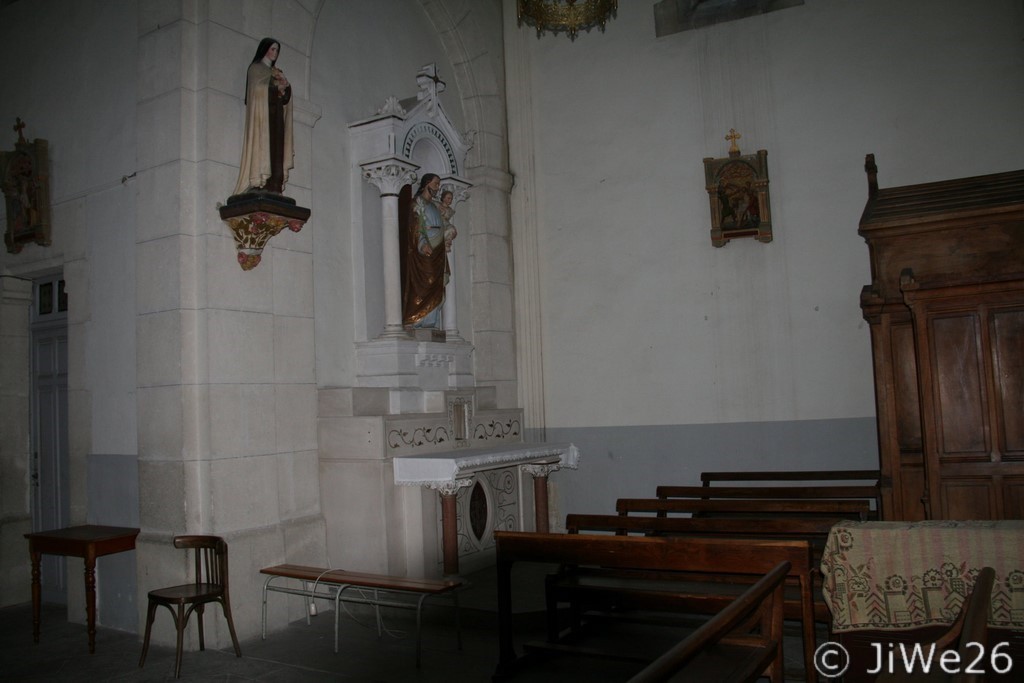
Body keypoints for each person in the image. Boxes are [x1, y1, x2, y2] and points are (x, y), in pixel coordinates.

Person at [233, 37, 293, 197]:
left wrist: (285, 87)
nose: (275, 53)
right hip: (262, 121)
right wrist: (274, 87)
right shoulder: (255, 69)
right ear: (264, 49)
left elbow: (285, 98)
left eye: (277, 50)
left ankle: (274, 184)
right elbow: (255, 92)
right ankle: (260, 182)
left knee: (277, 151)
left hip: (276, 119)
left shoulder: (276, 72)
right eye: (272, 49)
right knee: (264, 147)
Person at [402, 174, 451, 328]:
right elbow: (416, 225)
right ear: (426, 184)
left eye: (438, 184)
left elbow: (442, 225)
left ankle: (431, 321)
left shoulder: (435, 206)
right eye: (436, 184)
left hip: (438, 250)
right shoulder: (418, 202)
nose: (438, 187)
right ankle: (418, 318)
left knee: (437, 285)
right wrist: (422, 242)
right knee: (425, 282)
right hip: (425, 252)